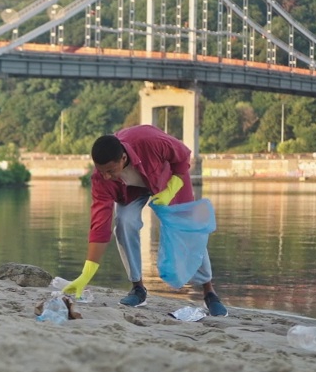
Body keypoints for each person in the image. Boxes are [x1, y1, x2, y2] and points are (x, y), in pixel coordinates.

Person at [62, 125, 229, 317]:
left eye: (110, 170)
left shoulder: (149, 141)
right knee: (124, 222)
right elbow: (99, 224)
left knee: (189, 229)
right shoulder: (101, 179)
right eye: (102, 171)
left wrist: (172, 188)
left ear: (123, 158)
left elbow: (183, 155)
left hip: (167, 179)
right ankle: (138, 288)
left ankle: (209, 292)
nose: (106, 176)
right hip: (131, 193)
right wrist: (86, 274)